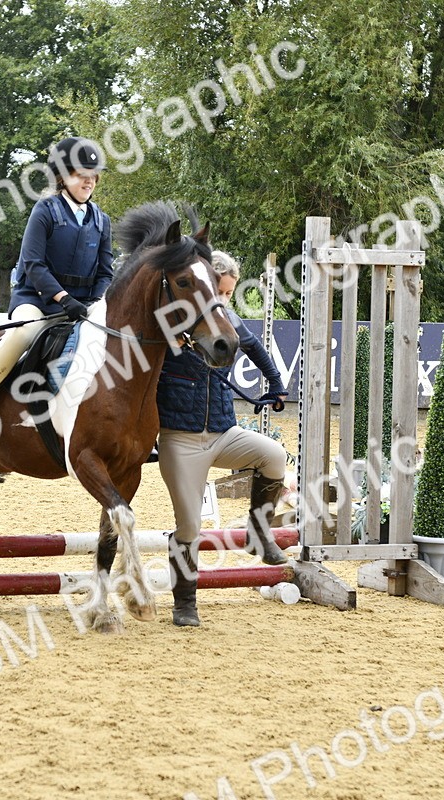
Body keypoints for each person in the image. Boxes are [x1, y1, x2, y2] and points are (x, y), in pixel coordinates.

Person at [158, 250, 289, 627]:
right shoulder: (168, 322)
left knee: (274, 455)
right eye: (219, 291)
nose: (224, 301)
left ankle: (258, 533)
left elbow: (254, 347)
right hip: (180, 441)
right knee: (189, 528)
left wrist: (277, 384)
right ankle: (185, 604)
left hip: (224, 431)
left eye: (229, 294)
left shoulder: (226, 320)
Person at [0, 136, 113, 440]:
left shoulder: (101, 221)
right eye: (81, 175)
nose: (89, 182)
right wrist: (63, 298)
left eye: (92, 176)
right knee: (22, 332)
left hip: (82, 304)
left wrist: (95, 301)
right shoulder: (46, 210)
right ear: (63, 177)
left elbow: (106, 271)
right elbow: (33, 264)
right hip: (38, 300)